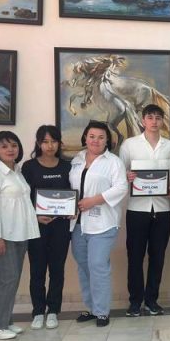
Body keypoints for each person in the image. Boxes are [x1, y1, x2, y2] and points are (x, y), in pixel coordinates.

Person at [0, 131, 40, 340]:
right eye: (4, 146)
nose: (10, 149)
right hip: (0, 236)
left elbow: (22, 203)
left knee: (12, 280)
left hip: (19, 233)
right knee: (7, 279)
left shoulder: (17, 172)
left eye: (14, 145)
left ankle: (5, 321)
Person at [119, 104, 170, 317]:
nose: (154, 121)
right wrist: (127, 176)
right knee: (135, 257)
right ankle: (135, 302)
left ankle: (152, 300)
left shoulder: (169, 146)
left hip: (162, 209)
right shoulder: (129, 145)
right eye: (150, 117)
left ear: (162, 121)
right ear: (143, 120)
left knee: (157, 257)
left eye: (158, 117)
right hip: (137, 210)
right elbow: (120, 173)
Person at [70, 121, 128, 328]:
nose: (96, 140)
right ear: (85, 138)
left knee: (97, 265)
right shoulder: (76, 160)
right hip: (77, 224)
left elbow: (121, 187)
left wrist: (93, 200)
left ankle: (102, 311)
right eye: (92, 136)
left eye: (101, 137)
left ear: (107, 141)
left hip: (103, 223)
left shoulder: (113, 162)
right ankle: (91, 307)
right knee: (83, 266)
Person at [21, 125, 73, 330]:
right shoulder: (29, 167)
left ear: (59, 143)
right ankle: (37, 311)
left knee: (57, 269)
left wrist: (71, 210)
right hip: (37, 226)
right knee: (37, 270)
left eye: (53, 141)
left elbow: (73, 192)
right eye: (45, 141)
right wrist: (35, 216)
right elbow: (24, 198)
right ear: (38, 143)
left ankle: (53, 311)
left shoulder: (67, 167)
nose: (50, 146)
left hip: (61, 226)